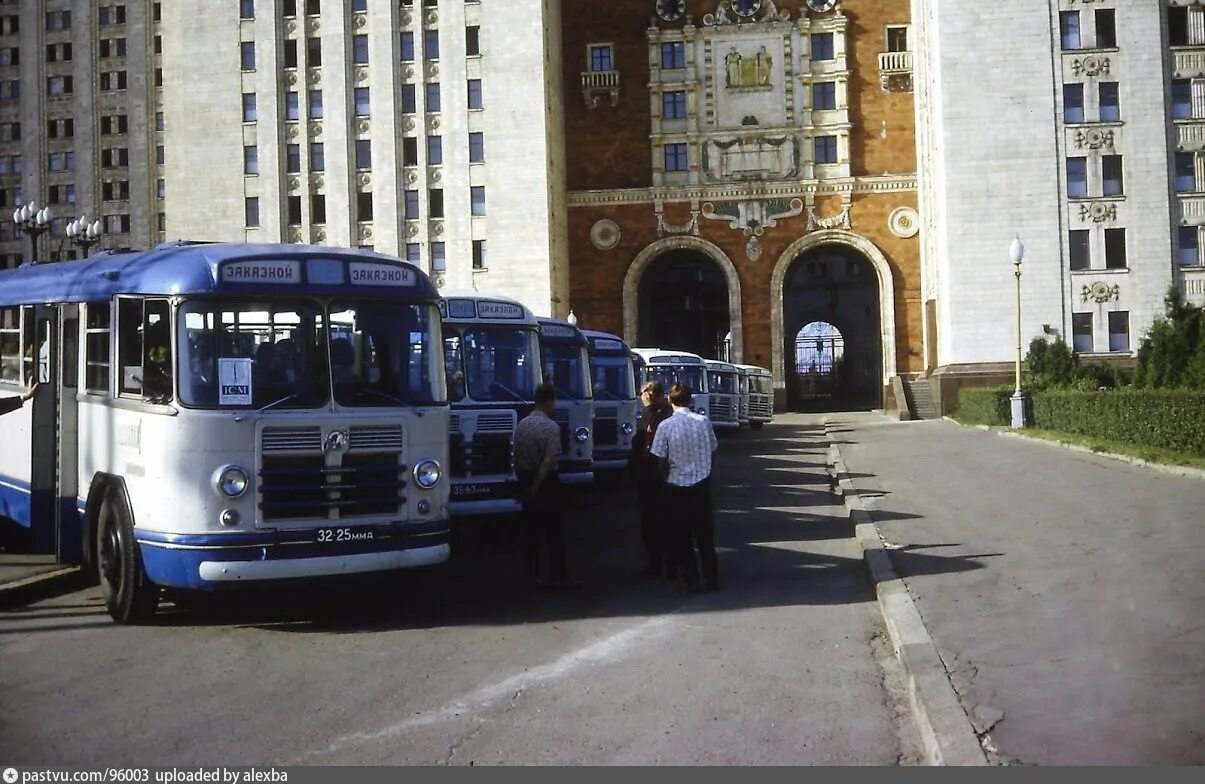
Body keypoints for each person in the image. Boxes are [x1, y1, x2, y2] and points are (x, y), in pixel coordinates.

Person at [650, 382, 720, 593]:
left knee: (682, 536)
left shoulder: (666, 426)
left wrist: (664, 480)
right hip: (701, 484)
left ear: (670, 400)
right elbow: (713, 449)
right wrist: (705, 469)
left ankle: (691, 579)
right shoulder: (703, 421)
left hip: (677, 486)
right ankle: (712, 577)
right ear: (690, 400)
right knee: (705, 536)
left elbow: (660, 459)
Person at [513, 383, 579, 590]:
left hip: (524, 476)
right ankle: (558, 575)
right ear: (549, 401)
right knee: (554, 532)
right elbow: (549, 460)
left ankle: (531, 577)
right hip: (546, 482)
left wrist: (526, 483)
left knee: (530, 533)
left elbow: (516, 457)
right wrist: (537, 484)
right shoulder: (551, 427)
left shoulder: (522, 425)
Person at [629, 379, 674, 578]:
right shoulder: (653, 414)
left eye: (644, 395)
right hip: (647, 476)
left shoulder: (663, 416)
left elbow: (651, 435)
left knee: (663, 521)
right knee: (649, 523)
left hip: (660, 475)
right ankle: (655, 562)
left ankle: (667, 564)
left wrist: (647, 410)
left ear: (650, 394)